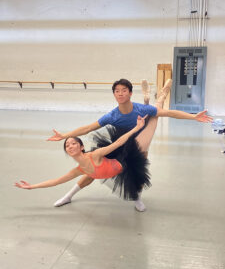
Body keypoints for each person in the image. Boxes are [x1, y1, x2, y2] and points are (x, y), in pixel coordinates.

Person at [47, 78, 212, 211]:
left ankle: (137, 197)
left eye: (124, 90)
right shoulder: (112, 115)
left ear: (130, 93)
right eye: (117, 91)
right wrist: (64, 136)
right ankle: (69, 196)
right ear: (114, 95)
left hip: (142, 134)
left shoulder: (140, 110)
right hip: (120, 141)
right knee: (91, 169)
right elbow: (88, 128)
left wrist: (193, 117)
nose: (120, 94)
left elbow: (170, 113)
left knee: (138, 168)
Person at [15, 115, 151, 201]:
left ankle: (152, 105)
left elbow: (118, 143)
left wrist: (136, 128)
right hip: (104, 170)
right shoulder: (78, 170)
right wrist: (32, 186)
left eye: (74, 143)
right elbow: (56, 181)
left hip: (125, 160)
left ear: (81, 147)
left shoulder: (95, 155)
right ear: (67, 151)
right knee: (88, 175)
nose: (70, 146)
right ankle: (68, 197)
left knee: (141, 164)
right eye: (67, 145)